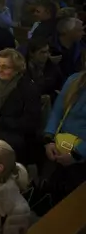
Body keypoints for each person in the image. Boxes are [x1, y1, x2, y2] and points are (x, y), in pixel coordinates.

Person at [0, 49, 41, 164]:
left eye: (6, 67)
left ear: (17, 69)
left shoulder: (29, 89)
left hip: (15, 136)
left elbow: (31, 123)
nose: (0, 70)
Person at [42, 72, 86, 205]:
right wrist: (49, 140)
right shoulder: (74, 80)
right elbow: (57, 112)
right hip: (59, 146)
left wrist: (77, 154)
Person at [21, 37, 64, 103]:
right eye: (42, 52)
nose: (46, 55)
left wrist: (50, 97)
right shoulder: (21, 68)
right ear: (31, 53)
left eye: (47, 51)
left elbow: (60, 90)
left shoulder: (53, 69)